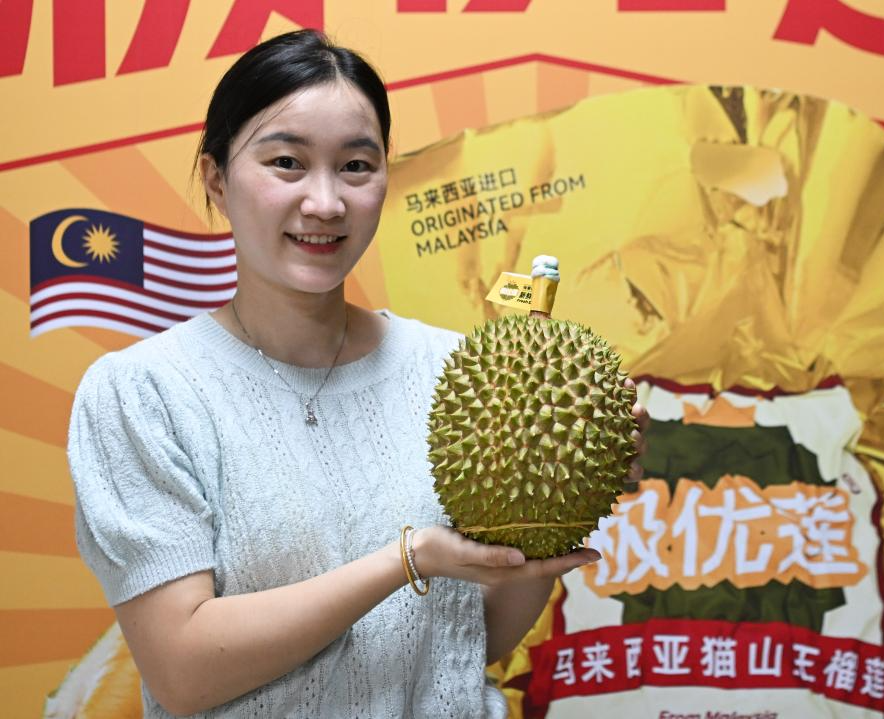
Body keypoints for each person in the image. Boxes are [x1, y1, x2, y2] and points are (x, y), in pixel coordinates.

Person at [68, 29, 644, 718]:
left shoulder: (457, 369)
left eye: (356, 166)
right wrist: (407, 560)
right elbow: (183, 670)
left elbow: (467, 642)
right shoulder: (143, 393)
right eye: (287, 162)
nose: (326, 203)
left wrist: (559, 502)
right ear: (217, 179)